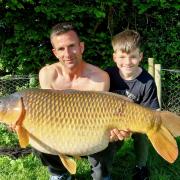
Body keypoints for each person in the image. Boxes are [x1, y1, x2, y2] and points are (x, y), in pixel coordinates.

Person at [38, 22, 130, 180]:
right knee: (37, 138)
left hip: (90, 131)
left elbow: (101, 119)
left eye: (72, 46)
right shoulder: (47, 74)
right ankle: (59, 173)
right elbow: (46, 115)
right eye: (61, 48)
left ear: (81, 47)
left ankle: (102, 174)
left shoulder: (99, 78)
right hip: (59, 131)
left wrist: (114, 130)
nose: (67, 54)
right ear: (55, 53)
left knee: (107, 139)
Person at [105, 29, 160, 180]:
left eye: (133, 57)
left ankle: (141, 166)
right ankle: (104, 169)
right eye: (122, 57)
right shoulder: (108, 74)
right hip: (112, 121)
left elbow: (152, 112)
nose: (128, 62)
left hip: (138, 121)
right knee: (107, 139)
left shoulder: (147, 81)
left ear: (140, 56)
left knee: (143, 135)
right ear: (114, 57)